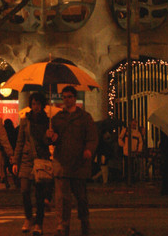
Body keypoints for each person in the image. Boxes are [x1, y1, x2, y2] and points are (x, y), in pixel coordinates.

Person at [47, 85, 98, 236]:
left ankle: (84, 221)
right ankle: (64, 225)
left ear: (75, 98)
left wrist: (88, 149)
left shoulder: (85, 117)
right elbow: (51, 140)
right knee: (63, 199)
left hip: (79, 164)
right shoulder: (57, 118)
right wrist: (51, 136)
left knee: (81, 197)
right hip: (62, 163)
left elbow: (92, 137)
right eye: (64, 97)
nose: (67, 99)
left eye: (69, 96)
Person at [13, 91, 53, 236]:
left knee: (39, 194)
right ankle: (28, 217)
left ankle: (39, 223)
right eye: (34, 103)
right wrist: (15, 160)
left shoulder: (47, 121)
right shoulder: (25, 120)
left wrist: (49, 136)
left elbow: (48, 142)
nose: (36, 106)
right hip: (26, 159)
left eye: (38, 103)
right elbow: (20, 141)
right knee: (24, 190)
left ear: (42, 105)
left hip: (41, 159)